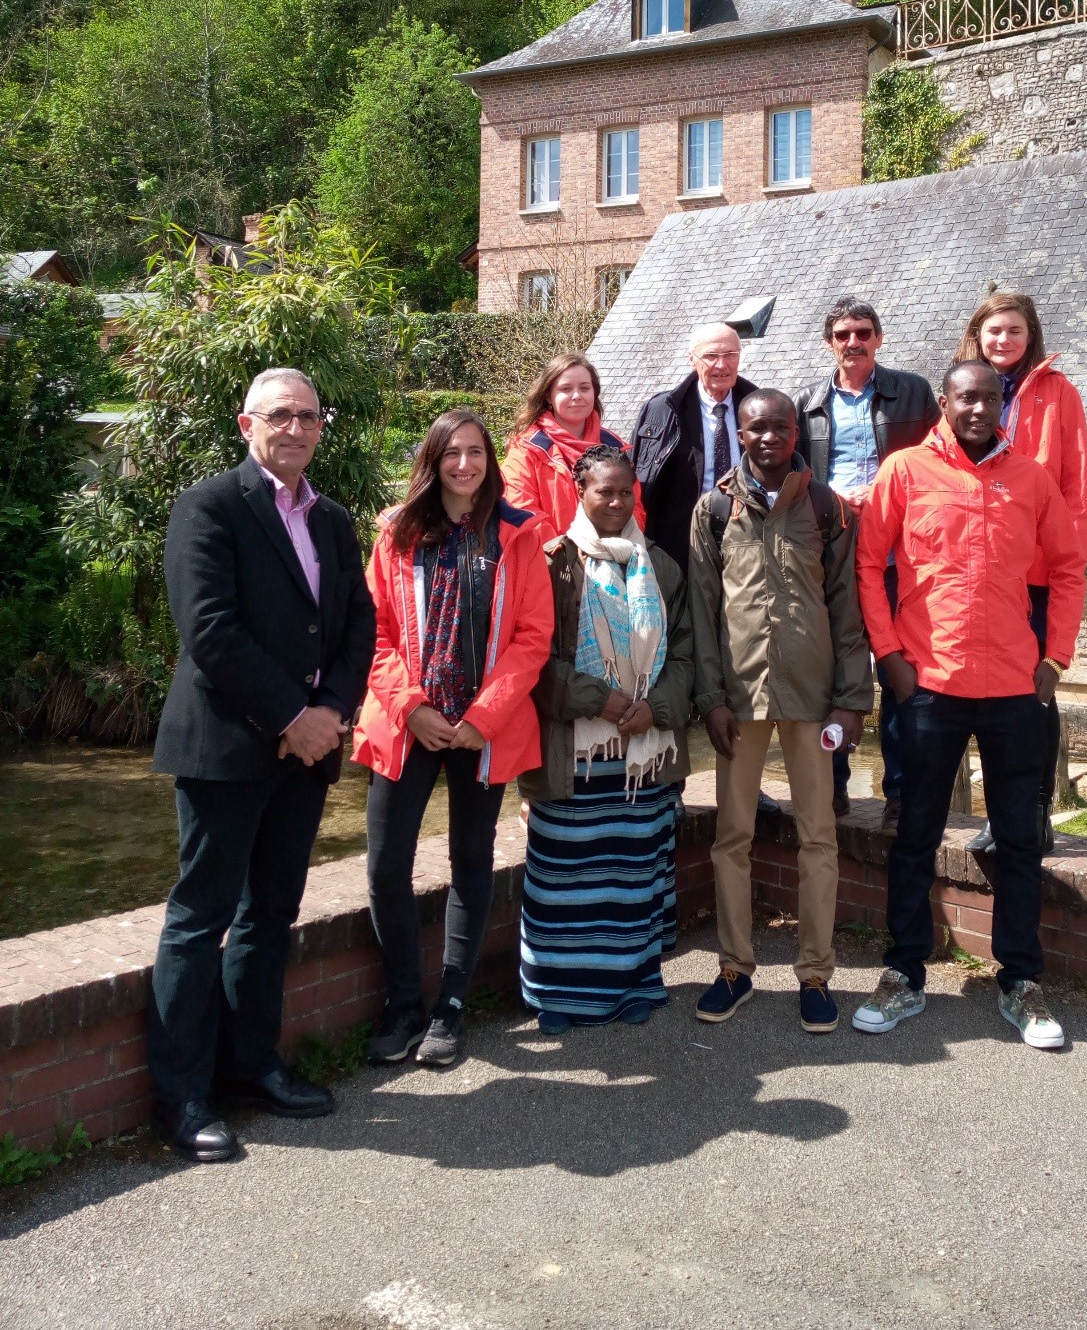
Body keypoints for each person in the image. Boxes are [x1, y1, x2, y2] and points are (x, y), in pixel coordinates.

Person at [147, 368, 376, 1162]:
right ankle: (180, 1098)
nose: (296, 427)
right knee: (199, 916)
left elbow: (359, 624)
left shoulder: (333, 520)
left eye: (309, 415)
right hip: (227, 747)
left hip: (305, 752)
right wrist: (292, 716)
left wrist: (332, 713)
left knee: (269, 912)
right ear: (247, 423)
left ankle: (252, 1067)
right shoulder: (208, 506)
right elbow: (210, 632)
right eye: (280, 414)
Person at [851, 361, 1086, 1050]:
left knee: (1018, 838)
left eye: (988, 396)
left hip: (1015, 685)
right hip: (929, 683)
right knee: (914, 834)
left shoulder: (1031, 477)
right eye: (965, 396)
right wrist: (890, 659)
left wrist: (1054, 659)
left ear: (999, 404)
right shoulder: (903, 471)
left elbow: (1068, 566)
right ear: (944, 403)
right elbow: (869, 563)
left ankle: (1019, 980)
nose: (977, 407)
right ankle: (903, 972)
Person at [354, 408, 553, 1068]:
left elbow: (531, 638)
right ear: (432, 460)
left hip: (479, 730)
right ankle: (404, 1001)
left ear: (489, 461)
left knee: (471, 861)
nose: (464, 464)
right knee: (386, 865)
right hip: (409, 723)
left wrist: (481, 717)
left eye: (475, 452)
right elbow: (374, 632)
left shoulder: (518, 534)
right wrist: (410, 707)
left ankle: (452, 1006)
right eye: (451, 453)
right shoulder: (395, 530)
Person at [688, 389, 874, 1034]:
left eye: (780, 427)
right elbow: (703, 615)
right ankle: (735, 967)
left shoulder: (828, 508)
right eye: (755, 427)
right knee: (731, 837)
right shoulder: (713, 508)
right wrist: (709, 698)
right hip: (739, 697)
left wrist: (852, 701)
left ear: (799, 432)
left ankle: (816, 974)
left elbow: (850, 611)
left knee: (817, 835)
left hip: (813, 696)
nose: (768, 437)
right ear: (739, 433)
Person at [519, 447, 694, 1032]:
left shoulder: (663, 568)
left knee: (631, 875)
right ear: (580, 491)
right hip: (575, 754)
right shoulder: (551, 564)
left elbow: (688, 654)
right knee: (564, 873)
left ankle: (633, 985)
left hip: (641, 759)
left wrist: (656, 706)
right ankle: (556, 997)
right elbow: (533, 659)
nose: (616, 503)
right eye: (604, 492)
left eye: (625, 492)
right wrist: (601, 699)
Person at [954, 292, 1087, 855]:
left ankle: (1034, 815)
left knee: (1035, 693)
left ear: (1029, 334)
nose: (1003, 340)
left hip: (1031, 570)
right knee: (976, 695)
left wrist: (1067, 564)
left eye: (1013, 331)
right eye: (993, 331)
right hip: (976, 568)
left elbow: (1075, 488)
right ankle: (998, 815)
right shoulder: (961, 392)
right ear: (978, 336)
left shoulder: (1058, 395)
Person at [796, 295, 939, 827]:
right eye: (841, 335)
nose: (852, 343)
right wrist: (833, 499)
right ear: (828, 343)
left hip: (899, 545)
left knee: (897, 661)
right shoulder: (807, 402)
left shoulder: (913, 393)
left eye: (862, 333)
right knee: (829, 662)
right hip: (831, 545)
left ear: (878, 338)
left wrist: (885, 497)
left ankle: (900, 788)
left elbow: (934, 460)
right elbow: (796, 474)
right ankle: (831, 787)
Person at [630, 321, 756, 573]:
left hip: (746, 538)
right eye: (711, 356)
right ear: (692, 359)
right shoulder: (662, 410)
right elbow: (637, 480)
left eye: (730, 355)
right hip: (680, 543)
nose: (722, 364)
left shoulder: (759, 407)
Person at [502, 353, 642, 544]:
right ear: (548, 396)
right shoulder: (525, 449)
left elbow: (635, 509)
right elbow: (522, 511)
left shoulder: (616, 448)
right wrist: (567, 553)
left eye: (584, 388)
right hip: (551, 561)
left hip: (614, 557)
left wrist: (612, 550)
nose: (577, 396)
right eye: (566, 389)